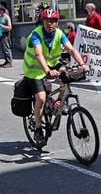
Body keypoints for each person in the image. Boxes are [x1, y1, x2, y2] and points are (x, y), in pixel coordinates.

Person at [22, 9, 88, 145]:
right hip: (34, 70)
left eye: (53, 21)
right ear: (43, 21)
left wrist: (82, 64)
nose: (50, 23)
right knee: (40, 98)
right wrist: (47, 70)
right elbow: (39, 54)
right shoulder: (36, 34)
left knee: (67, 74)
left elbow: (71, 49)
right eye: (47, 20)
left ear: (57, 22)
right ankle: (38, 129)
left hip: (52, 64)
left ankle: (58, 103)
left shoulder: (59, 33)